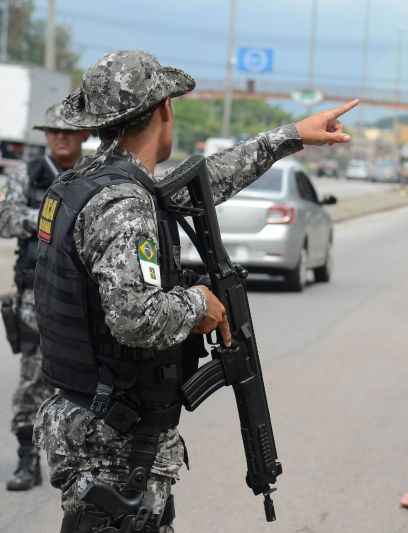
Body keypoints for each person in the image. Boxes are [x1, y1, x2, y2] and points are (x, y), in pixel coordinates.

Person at [32, 50, 357, 532]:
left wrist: (289, 138)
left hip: (96, 419)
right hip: (113, 440)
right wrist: (198, 303)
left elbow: (204, 182)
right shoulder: (123, 204)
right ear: (164, 109)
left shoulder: (92, 184)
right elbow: (136, 317)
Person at [0, 103, 90, 491]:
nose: (60, 137)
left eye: (68, 131)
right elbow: (6, 219)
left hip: (86, 300)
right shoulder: (27, 174)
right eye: (53, 131)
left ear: (85, 135)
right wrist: (57, 219)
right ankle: (27, 458)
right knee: (33, 381)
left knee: (84, 384)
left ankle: (76, 461)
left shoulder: (95, 174)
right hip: (37, 299)